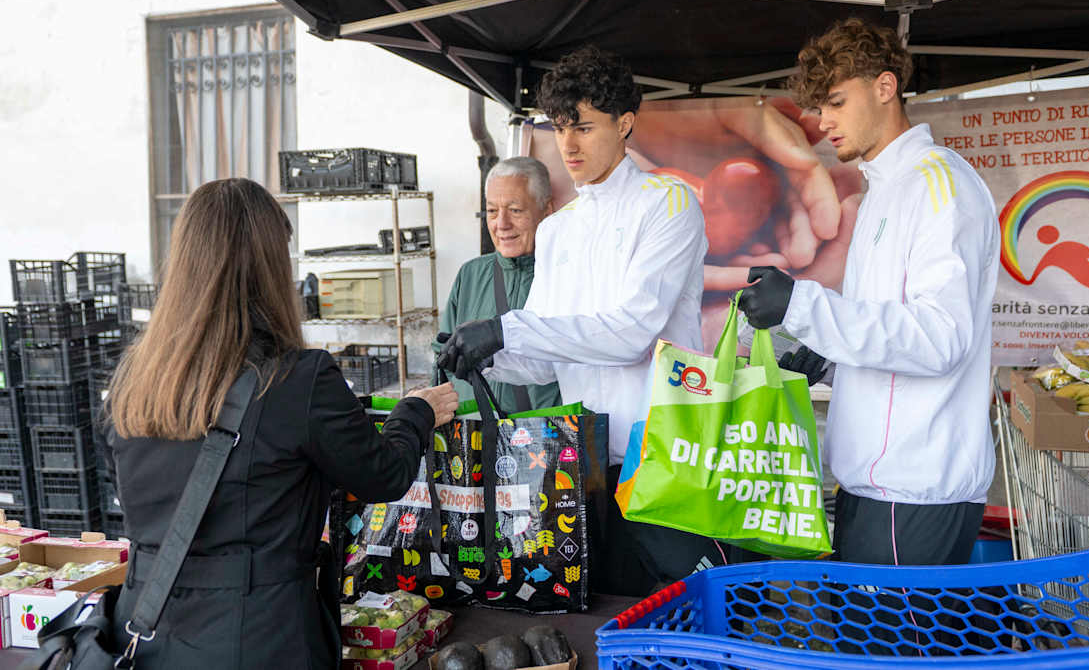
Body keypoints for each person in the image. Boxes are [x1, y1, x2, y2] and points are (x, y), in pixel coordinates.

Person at [102, 178, 458, 667]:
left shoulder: (136, 377)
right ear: (270, 266)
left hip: (147, 628)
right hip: (258, 636)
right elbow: (383, 474)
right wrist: (415, 412)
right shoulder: (298, 380)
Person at [438, 46, 723, 595]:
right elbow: (544, 357)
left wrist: (505, 330)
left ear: (625, 124)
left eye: (584, 128)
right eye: (560, 126)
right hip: (579, 467)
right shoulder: (558, 229)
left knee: (681, 613)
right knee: (601, 618)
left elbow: (631, 334)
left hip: (664, 460)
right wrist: (484, 354)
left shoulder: (668, 204)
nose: (567, 144)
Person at [740, 17, 999, 567]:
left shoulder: (938, 186)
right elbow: (887, 324)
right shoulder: (884, 187)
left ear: (885, 87)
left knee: (892, 654)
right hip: (872, 484)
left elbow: (939, 338)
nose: (823, 122)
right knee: (862, 650)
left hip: (914, 487)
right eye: (819, 107)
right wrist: (826, 355)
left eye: (836, 102)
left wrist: (804, 306)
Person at [433, 156, 561, 413]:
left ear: (546, 211)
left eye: (515, 210)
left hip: (547, 438)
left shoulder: (567, 273)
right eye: (492, 211)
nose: (501, 224)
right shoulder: (470, 274)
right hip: (477, 436)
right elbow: (442, 354)